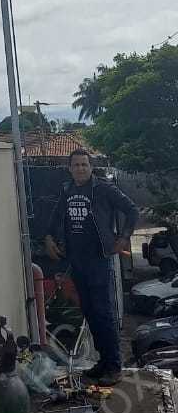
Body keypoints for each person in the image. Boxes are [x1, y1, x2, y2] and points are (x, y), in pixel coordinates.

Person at [45, 149, 139, 385]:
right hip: (77, 261)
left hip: (98, 260)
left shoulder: (104, 189)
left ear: (91, 167)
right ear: (70, 169)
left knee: (103, 313)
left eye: (84, 164)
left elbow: (132, 210)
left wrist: (124, 237)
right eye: (76, 165)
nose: (80, 168)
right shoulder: (67, 190)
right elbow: (56, 217)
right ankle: (103, 362)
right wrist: (48, 237)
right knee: (89, 312)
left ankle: (114, 367)